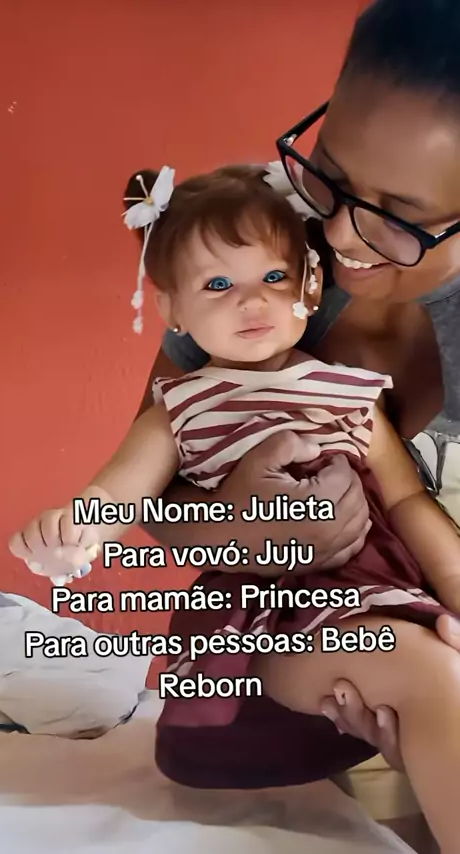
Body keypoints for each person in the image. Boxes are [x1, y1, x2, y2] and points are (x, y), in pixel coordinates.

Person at [10, 161, 460, 852]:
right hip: (271, 618)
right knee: (432, 677)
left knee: (436, 684)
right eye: (218, 285)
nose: (252, 303)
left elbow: (406, 500)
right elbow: (115, 497)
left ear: (309, 286)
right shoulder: (181, 409)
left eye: (273, 277)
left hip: (387, 595)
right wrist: (68, 533)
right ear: (173, 312)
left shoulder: (350, 394)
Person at [132, 0, 460, 788]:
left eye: (400, 217)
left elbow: (410, 507)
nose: (337, 235)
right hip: (280, 656)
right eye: (329, 175)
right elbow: (149, 499)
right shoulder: (253, 245)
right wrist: (230, 524)